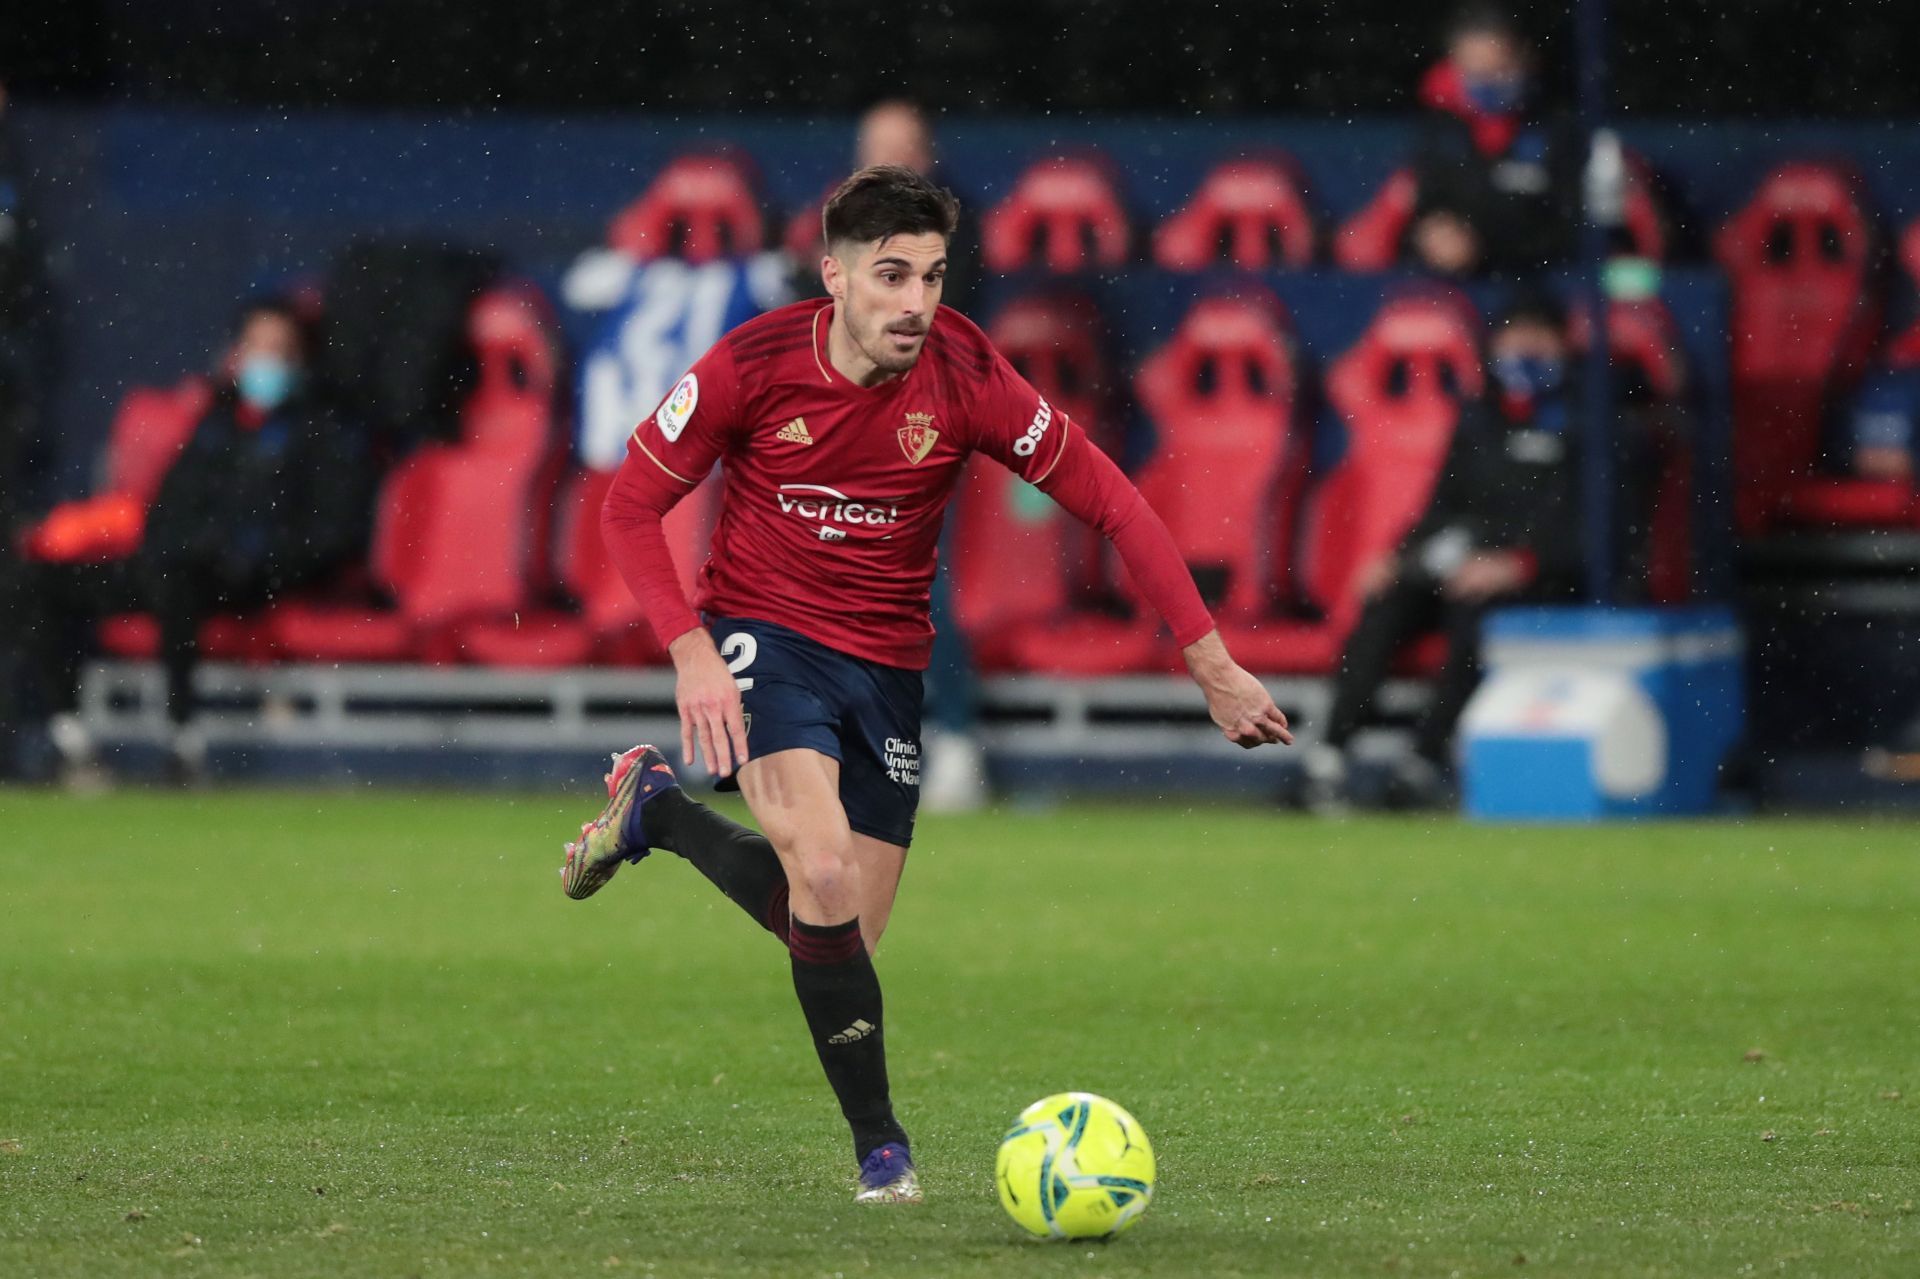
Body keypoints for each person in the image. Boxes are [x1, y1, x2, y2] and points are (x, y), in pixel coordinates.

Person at [563, 165, 1290, 1204]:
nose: (915, 302)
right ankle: (882, 1150)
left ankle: (663, 816)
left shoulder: (970, 376)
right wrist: (689, 648)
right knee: (817, 875)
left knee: (836, 930)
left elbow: (1116, 505)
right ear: (836, 277)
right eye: (891, 275)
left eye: (933, 276)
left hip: (890, 665)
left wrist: (1210, 662)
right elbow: (630, 503)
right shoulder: (752, 363)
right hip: (766, 638)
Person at [5, 298, 373, 782]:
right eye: (256, 346)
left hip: (255, 576)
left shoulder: (325, 431)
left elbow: (330, 531)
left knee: (176, 576)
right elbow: (170, 506)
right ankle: (70, 739)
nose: (265, 360)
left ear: (301, 357)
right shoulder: (215, 423)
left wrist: (252, 555)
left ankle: (183, 741)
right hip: (177, 564)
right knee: (41, 581)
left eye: (278, 348)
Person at [1306, 294, 1582, 810]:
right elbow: (1443, 504)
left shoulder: (1587, 421)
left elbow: (1593, 524)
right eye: (1513, 335)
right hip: (1462, 558)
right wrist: (1399, 556)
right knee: (1386, 602)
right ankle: (1330, 757)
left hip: (1534, 575)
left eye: (1537, 336)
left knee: (1473, 615)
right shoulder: (1478, 418)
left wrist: (1519, 564)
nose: (1524, 348)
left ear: (1563, 344)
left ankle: (1423, 762)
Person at [1403, 8, 1577, 277]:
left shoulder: (1563, 131)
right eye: (1476, 73)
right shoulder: (1437, 133)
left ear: (1526, 60)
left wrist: (1485, 249)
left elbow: (1580, 232)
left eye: (1500, 70)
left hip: (1545, 289)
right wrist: (1432, 235)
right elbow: (1423, 208)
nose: (1489, 84)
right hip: (1453, 287)